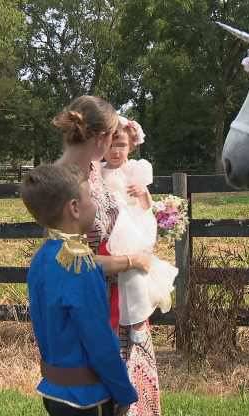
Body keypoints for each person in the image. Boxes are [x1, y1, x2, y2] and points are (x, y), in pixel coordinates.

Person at [53, 97, 161, 416]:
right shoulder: (64, 182)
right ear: (101, 138)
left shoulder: (94, 172)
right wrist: (132, 262)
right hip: (94, 306)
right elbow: (69, 261)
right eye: (112, 137)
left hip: (121, 297)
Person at [20, 164, 136, 416]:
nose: (94, 204)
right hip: (87, 398)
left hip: (54, 391)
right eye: (90, 198)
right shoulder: (80, 265)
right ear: (74, 208)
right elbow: (100, 341)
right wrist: (124, 392)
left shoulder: (41, 258)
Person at [102, 116, 176, 351]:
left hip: (131, 228)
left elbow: (146, 206)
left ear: (132, 146)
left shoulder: (135, 169)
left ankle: (137, 322)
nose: (115, 151)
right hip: (107, 227)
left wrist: (143, 193)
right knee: (119, 275)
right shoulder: (97, 172)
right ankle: (115, 327)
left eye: (121, 145)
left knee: (134, 273)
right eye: (110, 145)